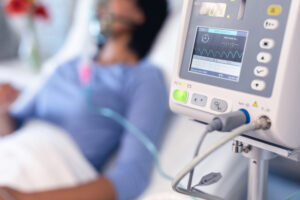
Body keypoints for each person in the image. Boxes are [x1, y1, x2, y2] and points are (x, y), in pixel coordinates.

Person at [0, 0, 169, 199]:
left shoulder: (144, 78)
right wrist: (2, 109)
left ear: (139, 14)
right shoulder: (70, 66)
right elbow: (14, 125)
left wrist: (19, 197)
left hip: (47, 173)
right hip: (13, 152)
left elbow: (132, 177)